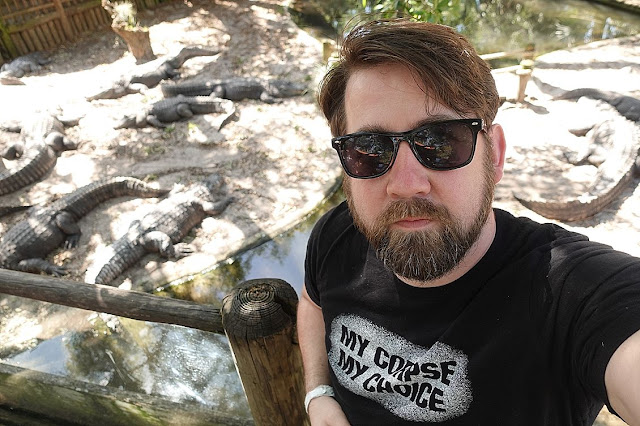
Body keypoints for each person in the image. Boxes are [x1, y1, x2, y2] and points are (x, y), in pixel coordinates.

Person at [297, 18, 640, 425]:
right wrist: (318, 395)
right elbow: (312, 302)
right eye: (369, 149)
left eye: (441, 141)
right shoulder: (338, 234)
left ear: (494, 155)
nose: (406, 185)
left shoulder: (571, 292)